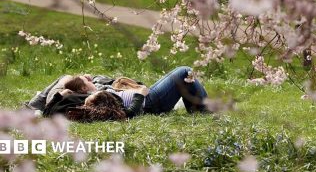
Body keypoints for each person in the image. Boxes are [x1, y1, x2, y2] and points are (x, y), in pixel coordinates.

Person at [27, 66, 209, 121]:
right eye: (86, 81)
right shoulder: (96, 98)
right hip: (150, 101)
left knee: (186, 77)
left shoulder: (94, 88)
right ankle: (204, 111)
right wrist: (140, 94)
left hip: (145, 93)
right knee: (185, 71)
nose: (88, 78)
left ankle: (198, 110)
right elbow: (128, 113)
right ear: (83, 89)